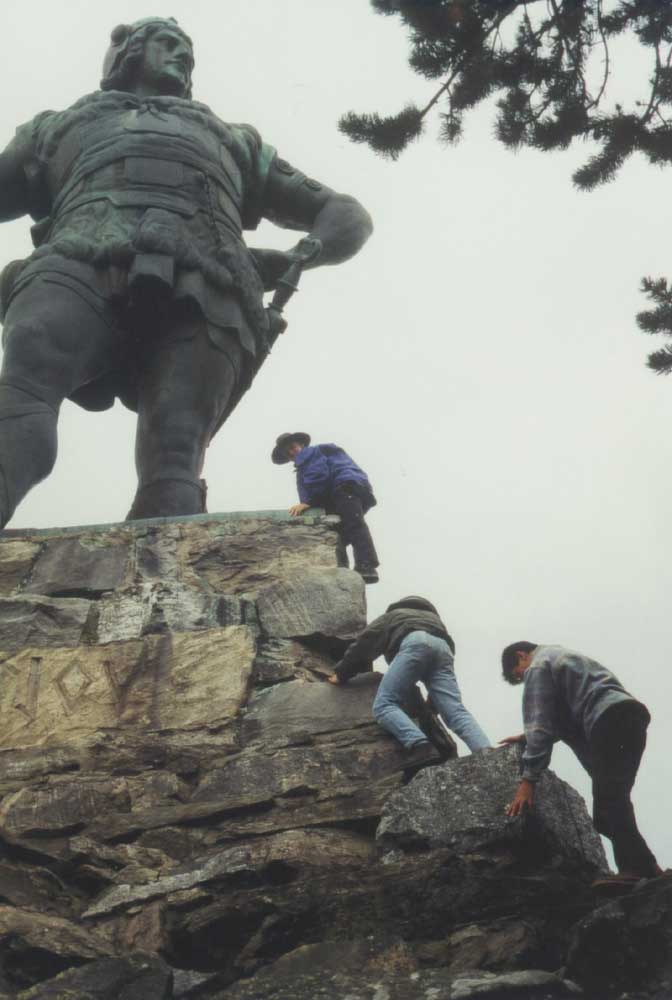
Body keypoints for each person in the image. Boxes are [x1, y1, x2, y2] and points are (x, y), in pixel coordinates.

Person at [0, 18, 372, 526]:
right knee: (24, 387)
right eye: (168, 45)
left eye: (188, 51)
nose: (183, 57)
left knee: (175, 447)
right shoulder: (55, 128)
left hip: (209, 282)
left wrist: (309, 249)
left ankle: (160, 574)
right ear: (130, 52)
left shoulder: (236, 143)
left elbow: (346, 212)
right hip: (80, 257)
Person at [501, 641, 660, 886]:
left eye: (519, 674)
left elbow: (540, 724)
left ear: (521, 655)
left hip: (609, 720)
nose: (524, 679)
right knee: (611, 803)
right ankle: (648, 868)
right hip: (629, 716)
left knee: (610, 800)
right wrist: (527, 737)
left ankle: (633, 869)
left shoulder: (539, 665)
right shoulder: (560, 656)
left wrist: (527, 781)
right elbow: (562, 718)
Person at [327, 595, 491, 754]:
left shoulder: (393, 615)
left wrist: (342, 673)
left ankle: (417, 742)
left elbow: (365, 644)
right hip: (444, 650)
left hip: (414, 642)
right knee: (455, 712)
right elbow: (436, 660)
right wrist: (433, 702)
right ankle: (485, 750)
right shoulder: (436, 622)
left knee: (384, 705)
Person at [271, 431, 379, 583]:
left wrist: (309, 503)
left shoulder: (310, 455)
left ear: (301, 445)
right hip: (349, 488)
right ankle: (344, 569)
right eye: (288, 452)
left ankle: (367, 566)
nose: (291, 452)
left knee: (353, 524)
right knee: (344, 529)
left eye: (292, 447)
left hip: (345, 486)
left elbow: (319, 477)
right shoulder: (306, 462)